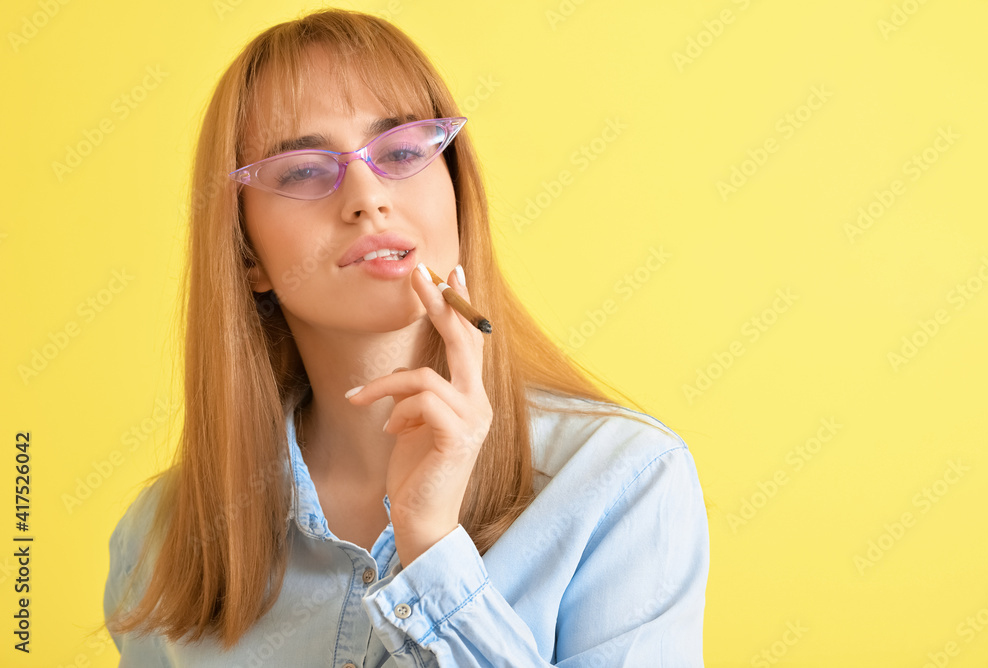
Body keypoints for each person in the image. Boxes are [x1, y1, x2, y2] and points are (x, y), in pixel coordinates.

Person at [102, 8, 710, 666]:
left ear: (456, 188)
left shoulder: (619, 479)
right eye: (303, 169)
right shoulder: (160, 537)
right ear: (246, 254)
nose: (367, 196)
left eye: (401, 152)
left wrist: (432, 550)